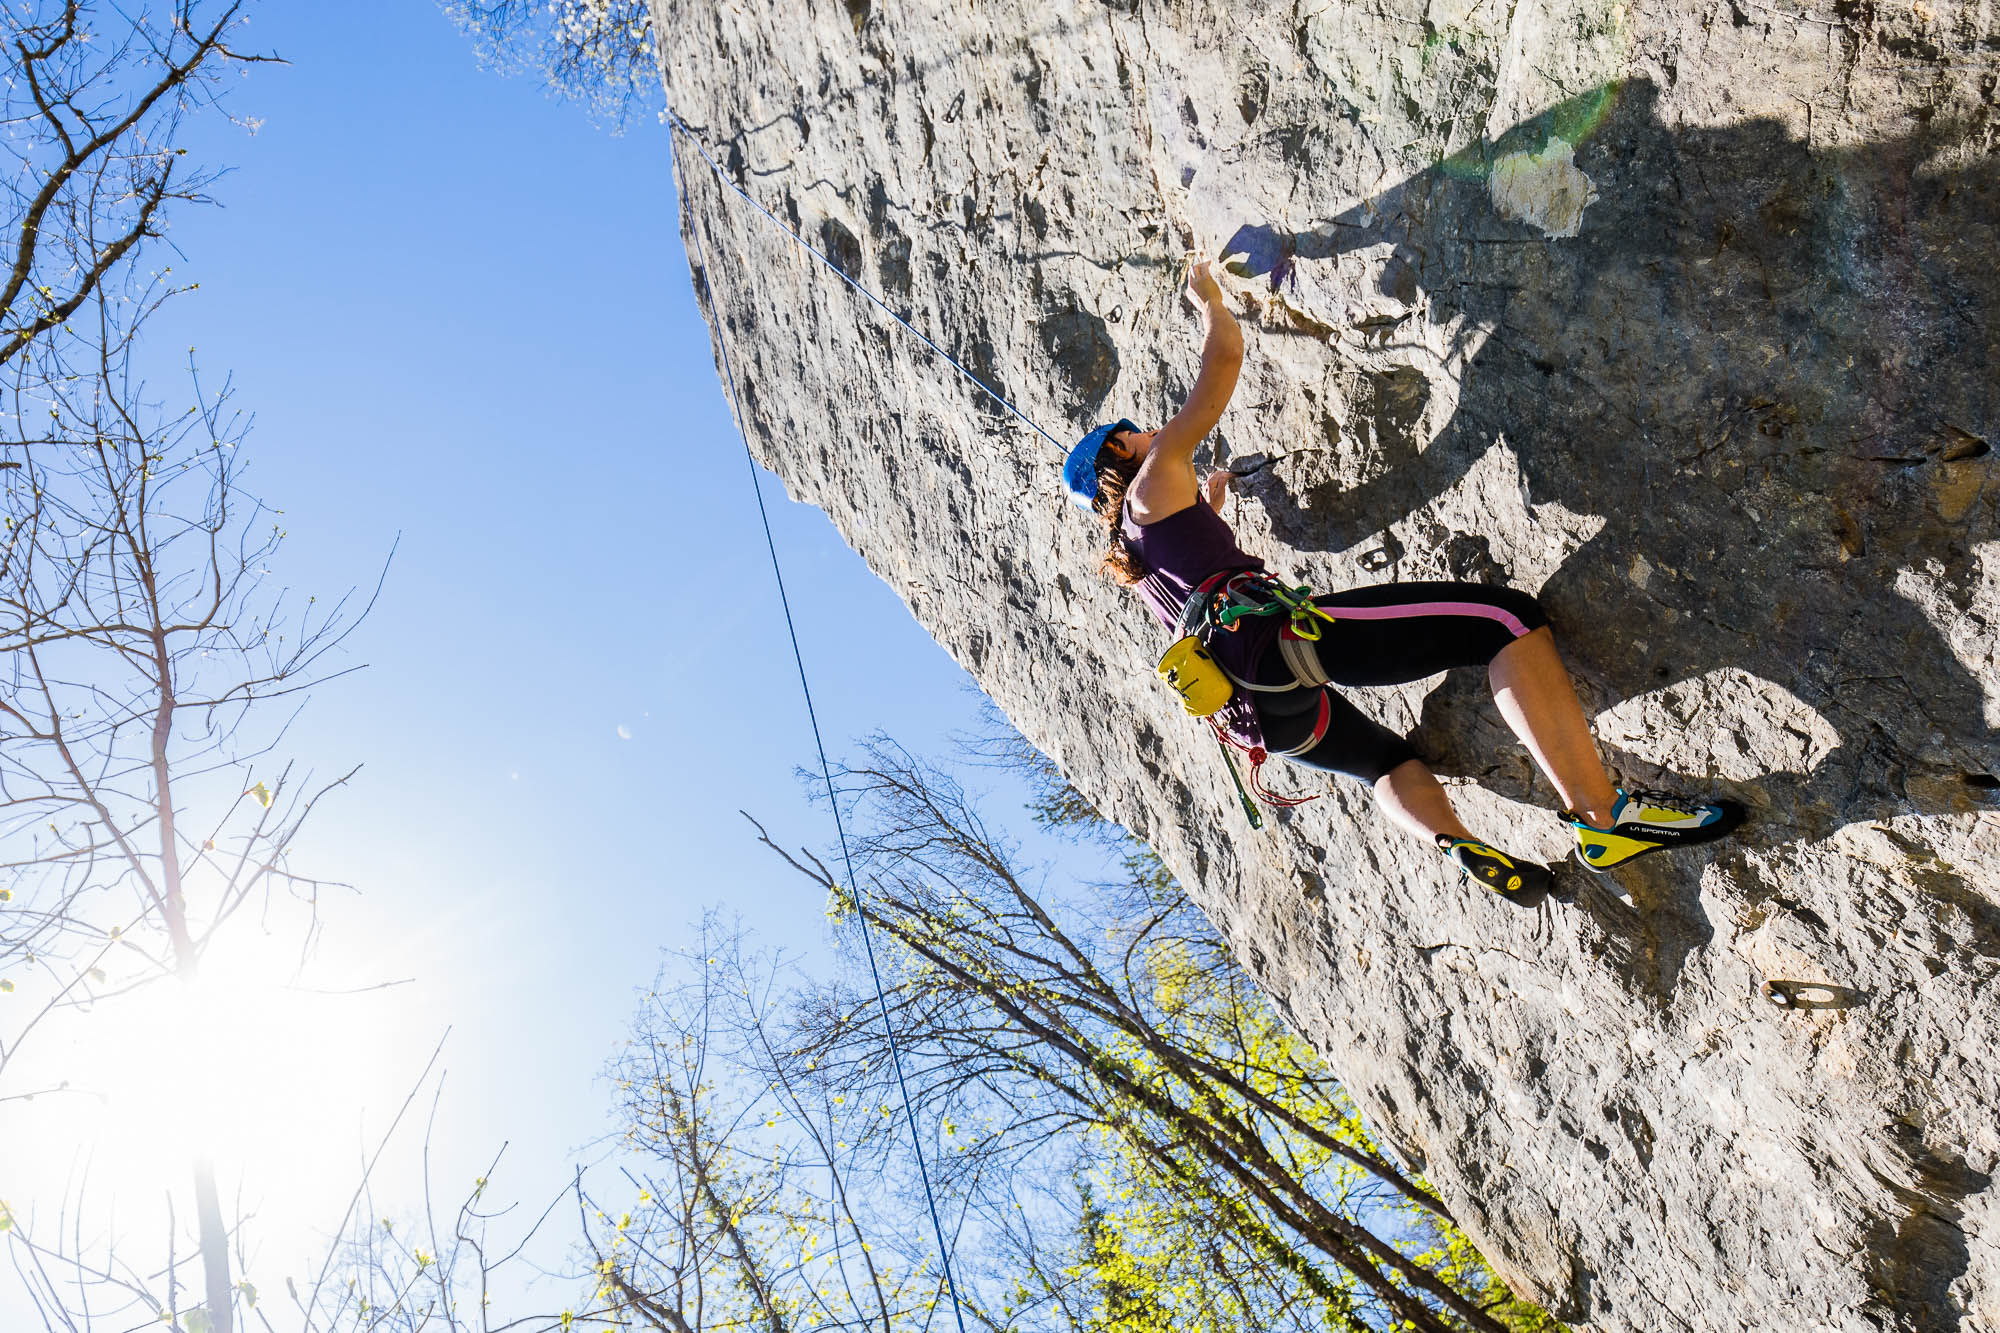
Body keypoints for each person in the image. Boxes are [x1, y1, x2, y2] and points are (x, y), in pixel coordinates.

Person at [1064, 259, 1742, 899]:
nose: (1148, 432)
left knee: (1383, 763)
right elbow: (1224, 362)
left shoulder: (1135, 550)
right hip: (1281, 647)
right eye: (1134, 432)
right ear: (1119, 450)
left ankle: (1454, 840)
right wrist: (1209, 301)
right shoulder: (1152, 481)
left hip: (1256, 716)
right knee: (1505, 622)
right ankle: (1603, 817)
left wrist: (1210, 508)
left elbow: (1196, 576)